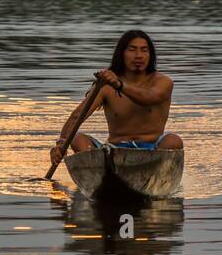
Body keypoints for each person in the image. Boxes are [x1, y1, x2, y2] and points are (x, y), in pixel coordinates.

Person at [49, 29, 182, 169]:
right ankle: (98, 172)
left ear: (150, 55)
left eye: (144, 50)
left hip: (153, 150)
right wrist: (60, 144)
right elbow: (77, 116)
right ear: (122, 54)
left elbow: (148, 98)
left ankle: (151, 172)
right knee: (77, 139)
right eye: (132, 50)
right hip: (115, 151)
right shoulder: (106, 86)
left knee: (174, 140)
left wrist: (119, 85)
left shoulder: (163, 82)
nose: (138, 56)